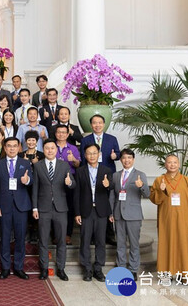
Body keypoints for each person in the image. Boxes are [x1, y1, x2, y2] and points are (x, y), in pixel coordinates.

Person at [150, 154, 188, 283]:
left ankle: (184, 274)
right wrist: (160, 190)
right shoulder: (160, 180)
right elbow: (154, 199)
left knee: (183, 245)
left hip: (184, 220)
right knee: (166, 244)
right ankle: (166, 274)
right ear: (165, 164)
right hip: (167, 219)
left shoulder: (187, 181)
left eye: (175, 162)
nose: (172, 165)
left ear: (179, 164)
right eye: (169, 162)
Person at [32, 139, 76, 281]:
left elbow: (72, 184)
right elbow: (35, 188)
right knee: (43, 240)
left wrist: (69, 183)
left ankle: (61, 269)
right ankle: (44, 269)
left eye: (52, 148)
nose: (50, 151)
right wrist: (34, 207)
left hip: (61, 208)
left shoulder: (64, 166)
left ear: (56, 150)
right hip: (43, 208)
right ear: (43, 150)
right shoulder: (38, 166)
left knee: (61, 240)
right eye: (47, 148)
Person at [0, 137, 33, 280]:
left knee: (20, 237)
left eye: (14, 146)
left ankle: (18, 267)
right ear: (4, 148)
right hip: (4, 207)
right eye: (9, 146)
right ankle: (5, 268)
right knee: (4, 237)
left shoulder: (25, 163)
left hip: (21, 206)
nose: (11, 149)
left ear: (19, 148)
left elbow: (32, 181)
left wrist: (26, 180)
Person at [74, 143, 113, 282]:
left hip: (101, 211)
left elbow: (112, 188)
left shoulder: (106, 170)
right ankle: (87, 269)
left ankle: (98, 268)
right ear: (85, 155)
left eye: (94, 153)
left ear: (99, 154)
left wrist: (108, 185)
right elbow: (76, 193)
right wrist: (77, 213)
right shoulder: (80, 171)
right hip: (85, 211)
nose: (92, 155)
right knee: (85, 240)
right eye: (89, 153)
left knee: (100, 241)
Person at [109, 149, 150, 281]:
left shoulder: (140, 175)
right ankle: (120, 267)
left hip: (134, 215)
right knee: (120, 243)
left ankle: (133, 269)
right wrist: (111, 212)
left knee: (134, 244)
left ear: (133, 159)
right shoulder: (115, 175)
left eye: (129, 158)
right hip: (118, 214)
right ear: (120, 160)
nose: (126, 160)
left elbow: (147, 194)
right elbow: (112, 196)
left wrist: (141, 186)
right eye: (124, 158)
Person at [80, 114, 119, 245]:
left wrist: (115, 156)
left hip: (107, 174)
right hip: (90, 174)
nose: (97, 125)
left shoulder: (112, 139)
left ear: (104, 124)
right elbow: (82, 158)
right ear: (91, 125)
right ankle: (91, 235)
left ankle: (109, 233)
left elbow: (118, 153)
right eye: (95, 123)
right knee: (91, 204)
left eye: (100, 122)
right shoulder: (86, 140)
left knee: (108, 203)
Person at [54, 124, 81, 244]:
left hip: (69, 180)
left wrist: (73, 159)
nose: (61, 134)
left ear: (67, 134)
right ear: (55, 134)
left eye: (63, 132)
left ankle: (67, 234)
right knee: (54, 207)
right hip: (53, 180)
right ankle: (55, 234)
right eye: (59, 132)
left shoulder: (73, 148)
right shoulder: (51, 146)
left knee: (69, 207)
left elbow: (78, 165)